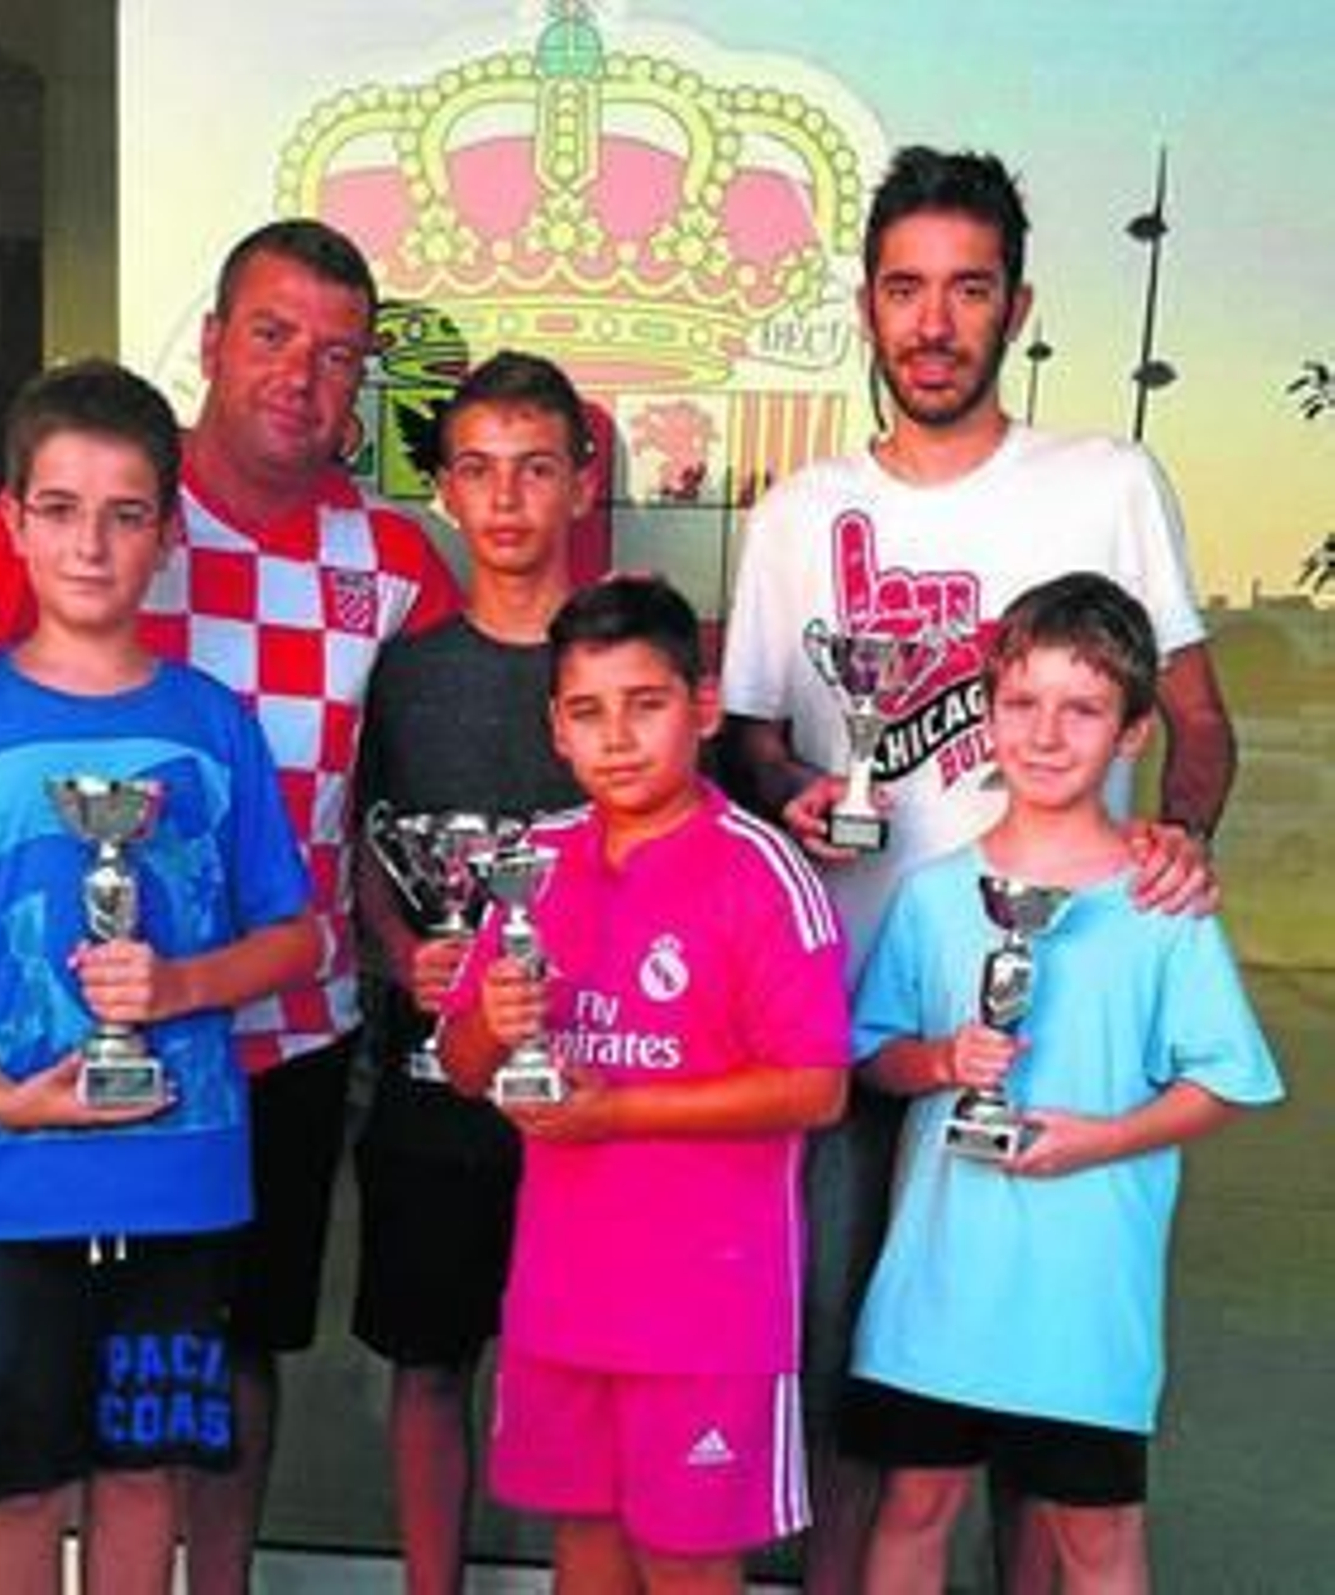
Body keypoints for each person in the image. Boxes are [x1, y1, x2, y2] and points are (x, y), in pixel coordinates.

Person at [0, 218, 459, 1594]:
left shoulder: (398, 558)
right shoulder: (105, 488)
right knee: (25, 1457)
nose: (302, 374)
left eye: (339, 355)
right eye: (274, 335)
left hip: (274, 1039)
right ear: (214, 341)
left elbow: (454, 737)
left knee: (215, 1386)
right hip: (47, 1053)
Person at [718, 145, 1234, 1594]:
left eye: (967, 289)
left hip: (1056, 1028)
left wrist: (1178, 838)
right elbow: (750, 737)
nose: (934, 322)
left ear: (1017, 307)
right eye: (905, 289)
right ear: (867, 309)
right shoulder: (800, 510)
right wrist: (795, 791)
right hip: (851, 1025)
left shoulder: (1105, 481)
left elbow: (1196, 720)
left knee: (1037, 1412)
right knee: (853, 1383)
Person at [0, 360, 321, 1595]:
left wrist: (178, 985)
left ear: (167, 532)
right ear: (13, 521)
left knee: (146, 1476)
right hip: (0, 1184)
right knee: (10, 1487)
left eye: (123, 513)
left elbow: (295, 937)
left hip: (178, 1179)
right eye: (59, 508)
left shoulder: (212, 723)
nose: (90, 544)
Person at [840, 571, 1282, 1595]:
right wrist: (942, 1060)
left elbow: (1223, 1079)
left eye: (1082, 708)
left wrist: (1102, 1138)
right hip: (940, 1283)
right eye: (1021, 702)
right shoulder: (933, 895)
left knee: (1097, 1534)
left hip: (1087, 1293)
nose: (1044, 734)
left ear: (1132, 733)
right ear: (986, 714)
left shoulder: (1162, 904)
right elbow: (871, 1054)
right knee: (914, 1505)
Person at [440, 574, 852, 1595]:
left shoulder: (760, 872)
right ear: (556, 729)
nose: (617, 737)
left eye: (645, 703)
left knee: (687, 1561)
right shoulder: (533, 862)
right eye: (588, 711)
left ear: (702, 708)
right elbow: (461, 1065)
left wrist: (614, 1110)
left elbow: (816, 1087)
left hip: (706, 1307)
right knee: (583, 1549)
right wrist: (493, 1016)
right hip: (564, 1295)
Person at [352, 350, 592, 1594]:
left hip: (591, 1095)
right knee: (429, 1365)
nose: (505, 499)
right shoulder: (404, 671)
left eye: (534, 469)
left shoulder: (620, 666)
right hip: (434, 1088)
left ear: (581, 484)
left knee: (583, 1379)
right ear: (444, 489)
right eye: (479, 470)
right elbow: (364, 845)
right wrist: (407, 956)